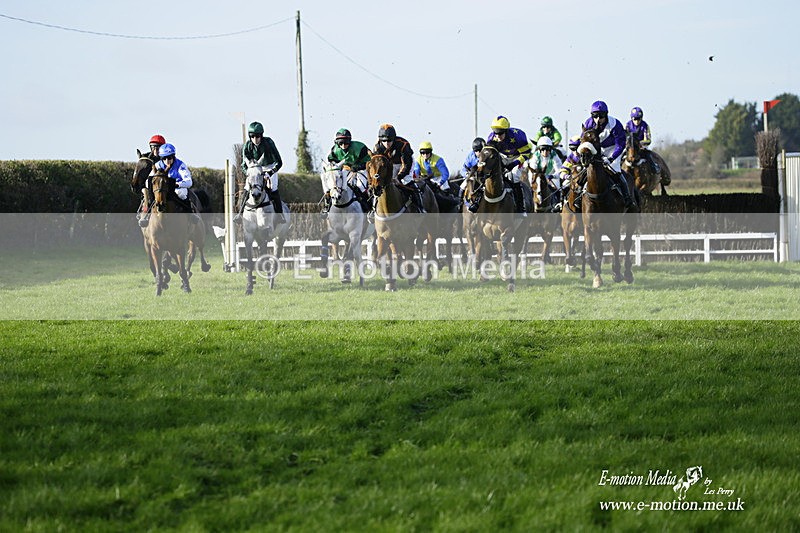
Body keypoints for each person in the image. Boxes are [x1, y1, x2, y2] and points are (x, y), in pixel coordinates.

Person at [582, 101, 636, 209]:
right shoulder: (588, 124)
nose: (598, 119)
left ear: (606, 115)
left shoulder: (615, 124)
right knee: (584, 171)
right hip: (596, 149)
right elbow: (584, 141)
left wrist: (611, 158)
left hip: (612, 149)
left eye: (601, 116)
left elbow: (620, 145)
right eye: (595, 116)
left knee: (616, 171)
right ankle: (578, 197)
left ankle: (627, 197)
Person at [139, 143, 201, 227]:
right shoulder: (157, 165)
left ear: (173, 156)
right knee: (151, 195)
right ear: (161, 158)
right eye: (164, 158)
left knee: (182, 194)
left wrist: (177, 184)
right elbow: (148, 181)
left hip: (176, 188)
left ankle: (190, 213)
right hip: (161, 188)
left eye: (169, 158)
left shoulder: (180, 165)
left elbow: (189, 182)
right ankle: (147, 216)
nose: (167, 160)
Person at [235, 121, 284, 224]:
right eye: (252, 136)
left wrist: (270, 173)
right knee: (247, 189)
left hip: (270, 167)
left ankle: (280, 215)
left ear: (261, 135)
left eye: (257, 136)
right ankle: (239, 214)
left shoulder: (269, 143)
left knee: (273, 188)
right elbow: (243, 165)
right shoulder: (247, 146)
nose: (255, 139)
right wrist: (249, 172)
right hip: (255, 170)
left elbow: (279, 162)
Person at [371, 123, 424, 213]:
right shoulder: (377, 147)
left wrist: (398, 177)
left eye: (389, 141)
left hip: (405, 164)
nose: (386, 144)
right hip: (388, 166)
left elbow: (406, 165)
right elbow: (378, 165)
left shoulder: (403, 144)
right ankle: (373, 209)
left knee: (407, 183)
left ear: (394, 138)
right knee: (378, 186)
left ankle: (420, 208)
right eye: (384, 141)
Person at [486, 115, 533, 216]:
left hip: (517, 157)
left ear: (506, 131)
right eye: (495, 133)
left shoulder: (518, 136)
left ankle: (521, 207)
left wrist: (515, 163)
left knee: (514, 176)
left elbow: (526, 154)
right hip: (502, 157)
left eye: (500, 133)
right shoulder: (491, 138)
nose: (497, 136)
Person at [321, 128, 371, 217]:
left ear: (350, 141)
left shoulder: (360, 147)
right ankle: (327, 207)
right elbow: (331, 161)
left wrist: (359, 166)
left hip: (362, 169)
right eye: (341, 143)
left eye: (346, 143)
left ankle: (368, 208)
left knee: (360, 186)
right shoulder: (335, 150)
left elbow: (370, 161)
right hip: (346, 169)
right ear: (337, 143)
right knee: (337, 185)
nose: (344, 145)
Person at [136, 134, 167, 224]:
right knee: (146, 192)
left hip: (162, 185)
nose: (155, 150)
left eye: (158, 148)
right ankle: (145, 214)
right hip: (148, 185)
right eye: (153, 148)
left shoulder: (167, 157)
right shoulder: (146, 157)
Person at [528, 136, 564, 209]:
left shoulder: (554, 156)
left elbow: (559, 170)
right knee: (531, 188)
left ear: (550, 149)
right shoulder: (536, 156)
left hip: (551, 177)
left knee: (557, 188)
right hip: (537, 177)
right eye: (543, 149)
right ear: (539, 150)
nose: (545, 152)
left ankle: (559, 205)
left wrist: (552, 176)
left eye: (547, 149)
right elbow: (532, 170)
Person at [625, 106, 661, 174]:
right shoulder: (627, 125)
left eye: (639, 119)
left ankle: (654, 167)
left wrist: (639, 143)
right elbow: (624, 137)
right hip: (630, 146)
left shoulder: (645, 126)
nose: (637, 121)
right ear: (632, 118)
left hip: (641, 146)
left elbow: (648, 140)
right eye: (635, 119)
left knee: (648, 155)